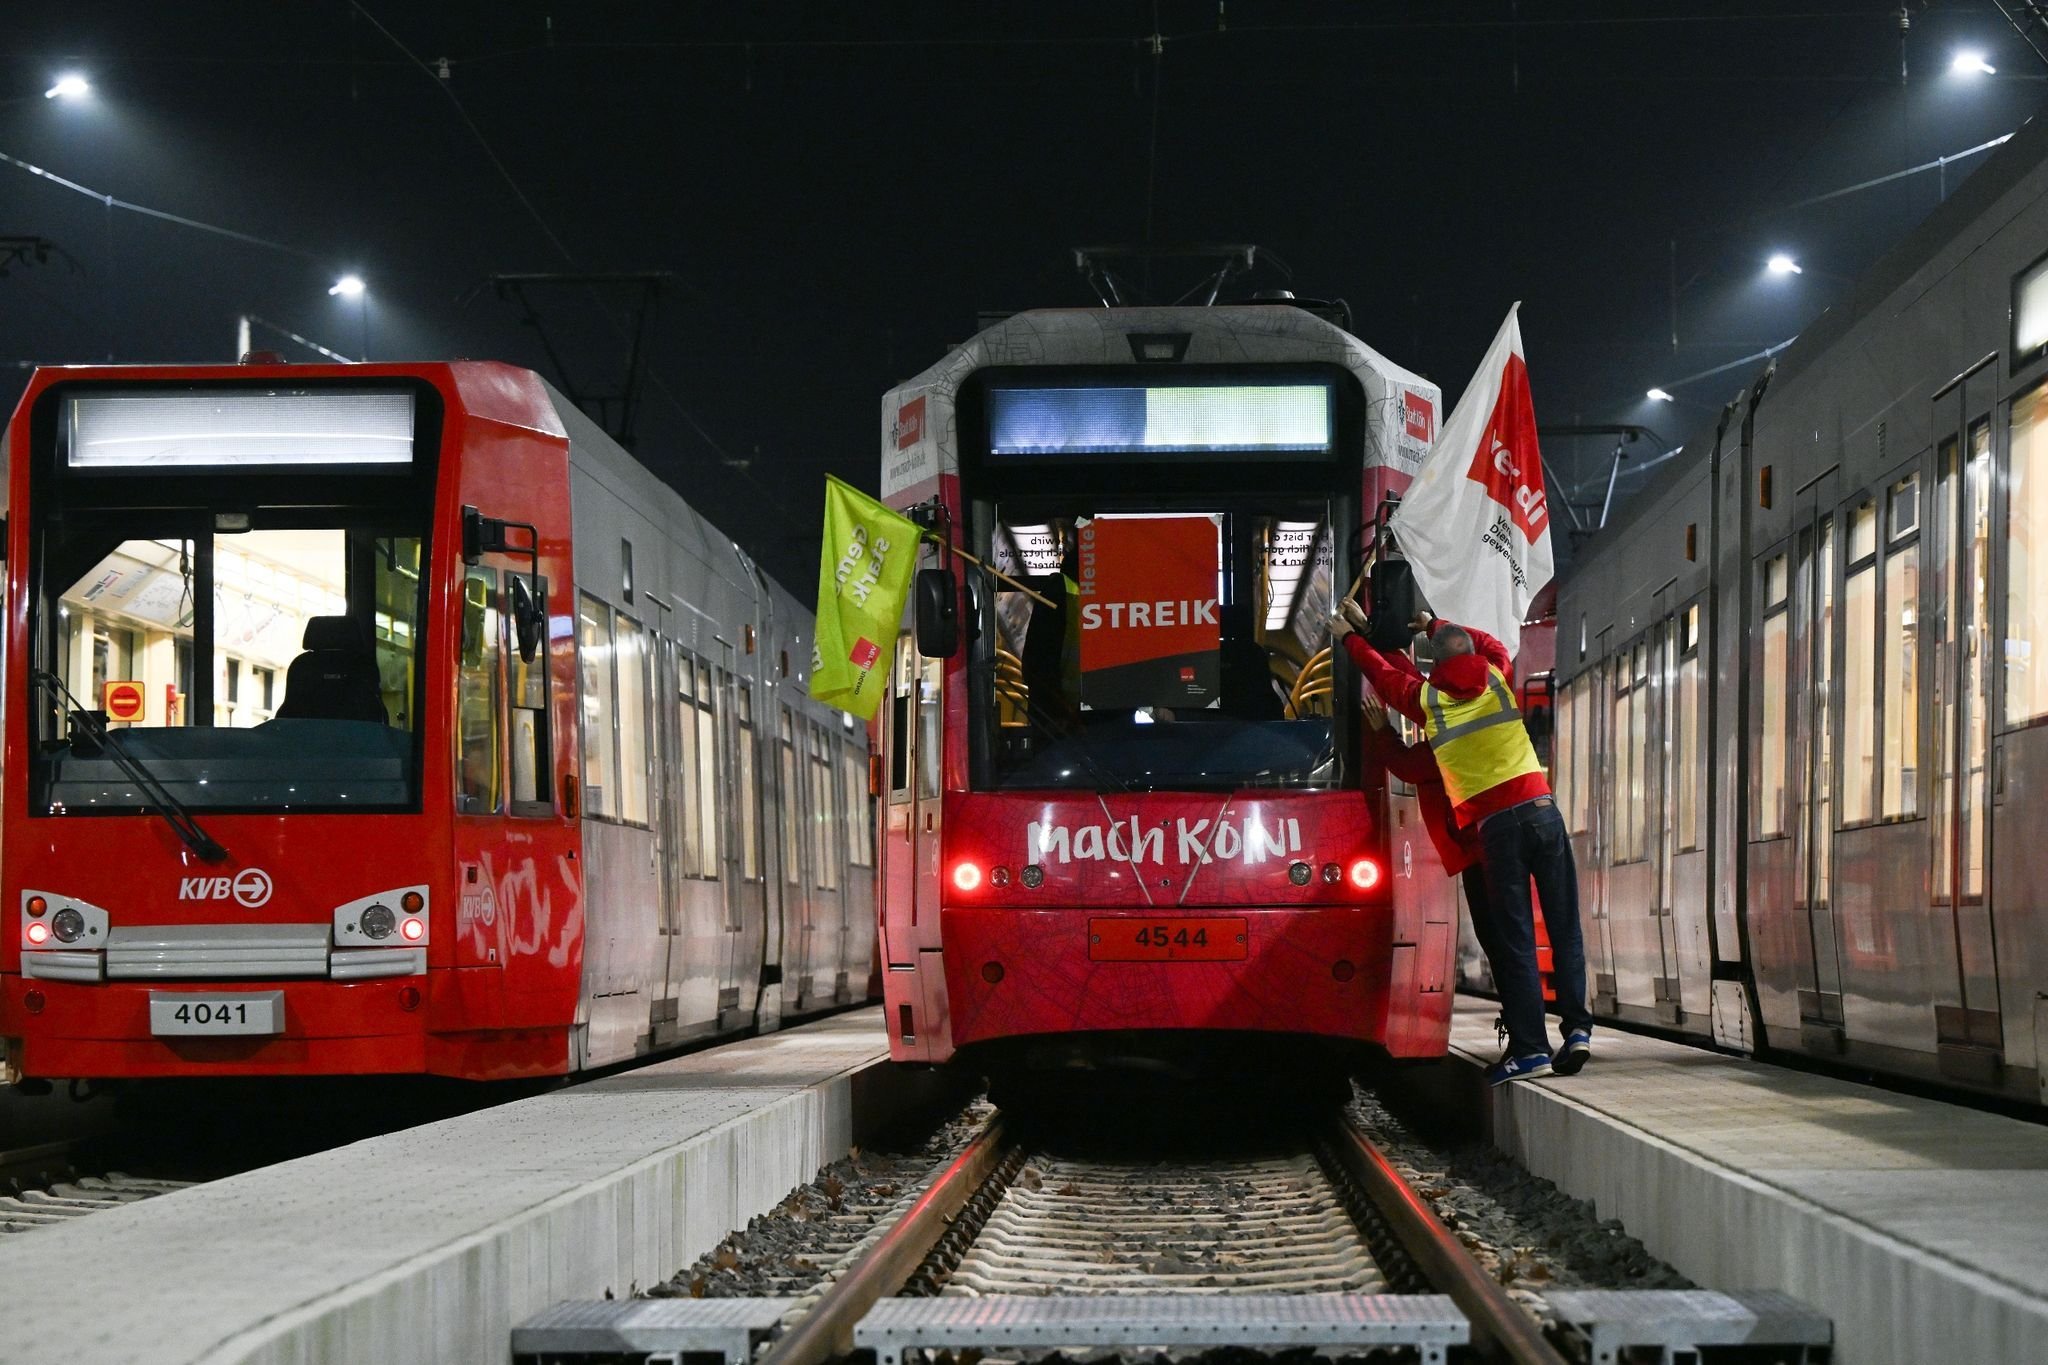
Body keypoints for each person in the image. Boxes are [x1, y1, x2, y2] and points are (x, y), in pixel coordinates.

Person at [1331, 599, 1592, 1085]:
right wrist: (1436, 624)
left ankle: (1532, 1049)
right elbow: (1490, 644)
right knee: (1564, 928)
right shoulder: (1498, 677)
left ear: (1438, 667)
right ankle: (1578, 1030)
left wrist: (1349, 639)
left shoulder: (1431, 703)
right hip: (1542, 812)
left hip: (1496, 828)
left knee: (1514, 941)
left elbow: (1386, 680)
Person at [1356, 688, 1510, 1004]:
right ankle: (1546, 1032)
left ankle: (1525, 1037)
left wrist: (1382, 729)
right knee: (1507, 941)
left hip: (1478, 853)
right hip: (1497, 846)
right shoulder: (1486, 732)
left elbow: (1408, 766)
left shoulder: (1449, 742)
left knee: (1498, 943)